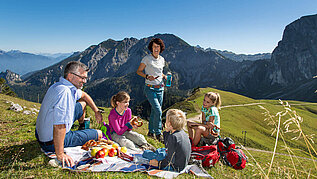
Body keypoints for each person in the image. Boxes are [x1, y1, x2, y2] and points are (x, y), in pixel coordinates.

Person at [35, 61, 103, 167]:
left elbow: (84, 95)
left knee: (82, 104)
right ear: (70, 76)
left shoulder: (60, 86)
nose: (84, 81)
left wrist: (96, 111)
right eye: (82, 78)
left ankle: (81, 128)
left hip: (41, 135)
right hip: (51, 142)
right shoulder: (65, 93)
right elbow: (59, 126)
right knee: (99, 134)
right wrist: (60, 154)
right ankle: (78, 135)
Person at [136, 38, 168, 142]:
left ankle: (150, 132)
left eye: (158, 46)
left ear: (160, 48)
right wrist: (146, 76)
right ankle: (158, 133)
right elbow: (138, 71)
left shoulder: (162, 59)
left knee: (155, 111)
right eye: (154, 46)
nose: (156, 49)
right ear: (151, 48)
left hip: (160, 88)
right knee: (158, 110)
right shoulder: (147, 59)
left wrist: (164, 76)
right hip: (150, 88)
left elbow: (160, 72)